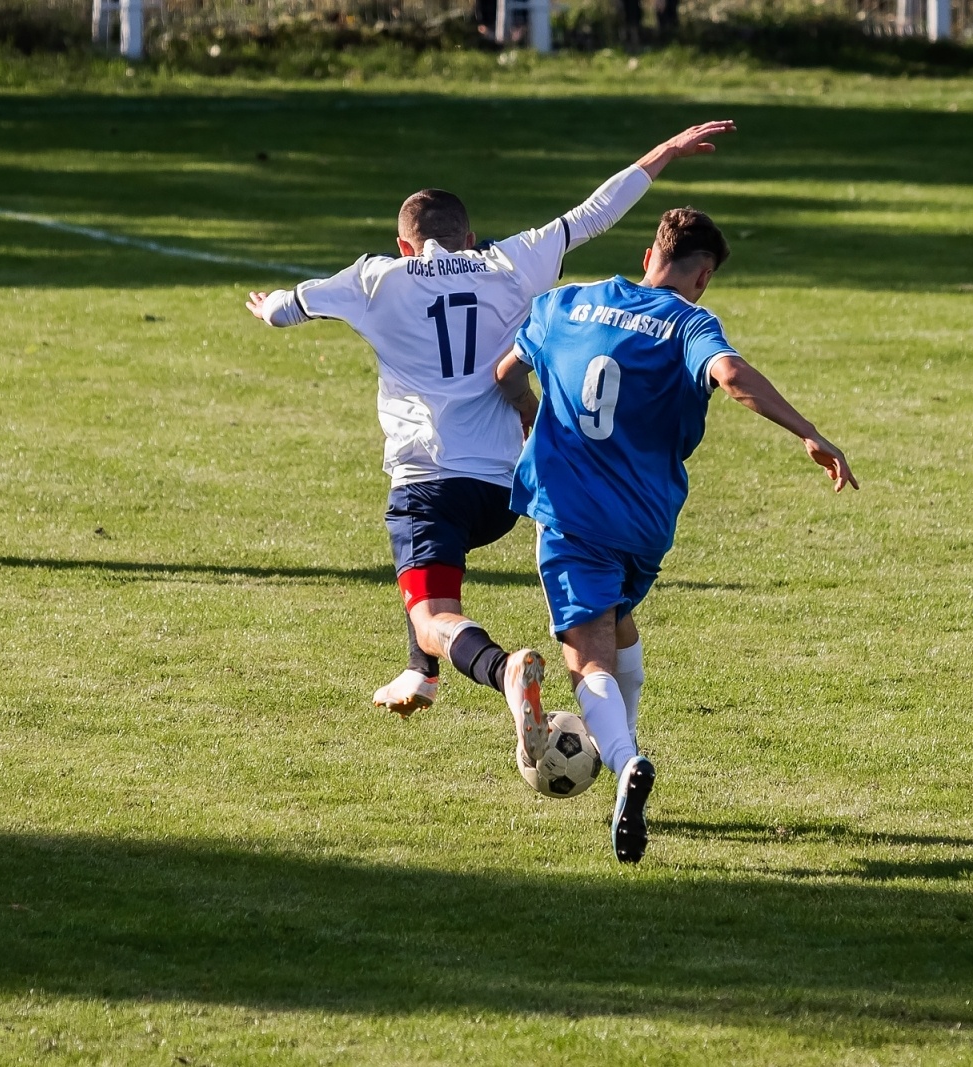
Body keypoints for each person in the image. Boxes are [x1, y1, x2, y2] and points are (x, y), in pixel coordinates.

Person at [245, 122, 736, 768]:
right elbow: (594, 214)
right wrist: (664, 154)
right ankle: (420, 673)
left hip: (429, 484)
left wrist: (270, 305)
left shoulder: (378, 278)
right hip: (503, 490)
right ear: (469, 239)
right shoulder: (512, 260)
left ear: (405, 243)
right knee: (428, 580)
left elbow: (289, 308)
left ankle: (502, 670)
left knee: (433, 609)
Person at [494, 207, 858, 862]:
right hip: (644, 520)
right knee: (619, 626)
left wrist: (529, 412)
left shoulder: (563, 304)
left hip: (573, 513)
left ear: (646, 257)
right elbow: (732, 375)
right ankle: (619, 754)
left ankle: (626, 761)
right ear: (703, 276)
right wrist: (808, 431)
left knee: (589, 658)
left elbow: (504, 373)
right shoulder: (689, 323)